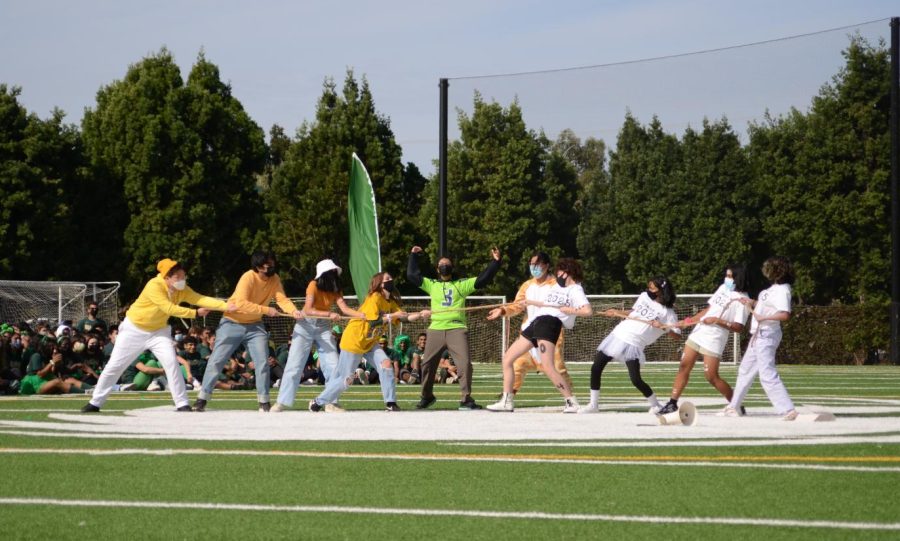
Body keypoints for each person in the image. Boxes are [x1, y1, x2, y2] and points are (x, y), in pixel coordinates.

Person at [81, 258, 232, 412]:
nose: (182, 280)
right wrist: (195, 313)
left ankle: (182, 403)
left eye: (183, 276)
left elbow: (200, 298)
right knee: (115, 365)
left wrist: (227, 305)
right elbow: (169, 308)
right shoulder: (154, 285)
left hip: (159, 332)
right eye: (178, 277)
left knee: (171, 363)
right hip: (134, 329)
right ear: (167, 277)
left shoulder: (182, 289)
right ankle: (95, 402)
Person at [193, 251, 301, 413]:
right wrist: (266, 310)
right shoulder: (248, 277)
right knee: (217, 361)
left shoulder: (275, 279)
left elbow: (282, 299)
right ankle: (202, 398)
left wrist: (294, 311)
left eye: (272, 262)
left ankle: (264, 402)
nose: (271, 266)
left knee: (262, 362)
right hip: (231, 322)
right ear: (258, 267)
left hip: (255, 325)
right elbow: (242, 304)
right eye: (267, 264)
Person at [308, 272, 428, 412]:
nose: (391, 280)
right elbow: (373, 321)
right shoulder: (374, 297)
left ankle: (390, 403)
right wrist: (393, 315)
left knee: (386, 364)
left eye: (391, 278)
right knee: (346, 380)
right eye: (387, 279)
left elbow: (404, 317)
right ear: (379, 284)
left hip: (370, 343)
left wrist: (420, 314)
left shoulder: (390, 302)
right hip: (355, 341)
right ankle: (317, 402)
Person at [488, 258, 591, 412]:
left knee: (548, 366)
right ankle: (506, 401)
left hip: (549, 324)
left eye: (560, 272)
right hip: (536, 322)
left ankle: (571, 401)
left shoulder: (575, 289)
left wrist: (570, 310)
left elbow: (587, 311)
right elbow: (546, 304)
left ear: (568, 273)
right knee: (508, 358)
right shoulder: (556, 286)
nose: (558, 274)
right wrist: (529, 302)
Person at [407, 245, 501, 410]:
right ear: (437, 269)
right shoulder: (432, 285)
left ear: (452, 267)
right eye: (441, 264)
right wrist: (414, 256)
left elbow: (483, 279)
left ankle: (466, 399)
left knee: (464, 364)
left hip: (457, 329)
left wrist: (495, 262)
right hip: (435, 328)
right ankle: (426, 396)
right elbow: (412, 275)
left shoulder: (461, 285)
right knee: (427, 364)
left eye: (447, 263)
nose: (444, 265)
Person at [579, 276, 682, 414]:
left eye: (652, 288)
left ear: (660, 291)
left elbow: (677, 336)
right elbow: (633, 313)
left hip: (635, 343)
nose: (648, 290)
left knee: (635, 379)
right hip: (619, 335)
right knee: (596, 367)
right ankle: (593, 404)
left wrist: (664, 327)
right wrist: (616, 312)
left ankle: (655, 404)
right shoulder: (644, 296)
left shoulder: (668, 313)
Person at [657, 265, 751, 415]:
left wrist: (717, 320)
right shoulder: (722, 288)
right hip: (698, 333)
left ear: (738, 278)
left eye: (730, 276)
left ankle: (736, 404)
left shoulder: (744, 300)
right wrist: (687, 321)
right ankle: (672, 403)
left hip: (715, 339)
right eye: (726, 275)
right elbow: (708, 310)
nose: (726, 279)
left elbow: (738, 327)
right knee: (683, 366)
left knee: (711, 376)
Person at [272, 259, 362, 412]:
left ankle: (330, 402)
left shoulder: (336, 288)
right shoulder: (313, 285)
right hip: (305, 325)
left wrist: (361, 314)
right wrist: (329, 313)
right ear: (324, 274)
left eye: (335, 271)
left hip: (323, 327)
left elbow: (344, 308)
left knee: (333, 364)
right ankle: (281, 402)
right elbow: (307, 310)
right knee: (294, 364)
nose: (335, 274)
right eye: (332, 272)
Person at [721, 257, 799, 420]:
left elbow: (784, 314)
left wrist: (763, 317)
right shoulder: (772, 289)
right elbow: (766, 305)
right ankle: (733, 406)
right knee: (745, 370)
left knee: (766, 373)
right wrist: (752, 302)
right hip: (758, 335)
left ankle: (787, 409)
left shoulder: (782, 290)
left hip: (767, 335)